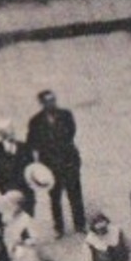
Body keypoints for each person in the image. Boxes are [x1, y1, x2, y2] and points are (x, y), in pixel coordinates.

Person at [27, 89, 86, 238]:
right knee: (55, 198)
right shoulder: (35, 122)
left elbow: (71, 132)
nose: (51, 103)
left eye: (53, 100)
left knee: (75, 195)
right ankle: (59, 227)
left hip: (68, 161)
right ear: (42, 103)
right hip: (50, 166)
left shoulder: (66, 115)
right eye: (47, 101)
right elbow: (32, 143)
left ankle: (80, 224)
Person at [0, 120, 37, 216]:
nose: (10, 134)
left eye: (11, 130)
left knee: (28, 219)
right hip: (8, 191)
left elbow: (32, 167)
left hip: (26, 191)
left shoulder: (25, 147)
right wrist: (3, 188)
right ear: (0, 134)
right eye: (5, 132)